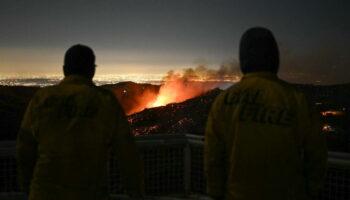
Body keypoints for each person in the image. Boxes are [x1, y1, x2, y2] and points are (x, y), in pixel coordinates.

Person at [205, 27, 327, 200]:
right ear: (274, 57)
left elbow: (213, 155)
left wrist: (215, 192)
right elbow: (317, 153)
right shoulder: (297, 100)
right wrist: (311, 190)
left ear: (243, 59)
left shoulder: (223, 102)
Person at [16, 44, 144, 200]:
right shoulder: (105, 100)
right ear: (92, 70)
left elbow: (24, 148)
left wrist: (27, 187)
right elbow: (127, 154)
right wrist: (136, 193)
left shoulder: (42, 98)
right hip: (90, 193)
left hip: (44, 193)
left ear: (64, 69)